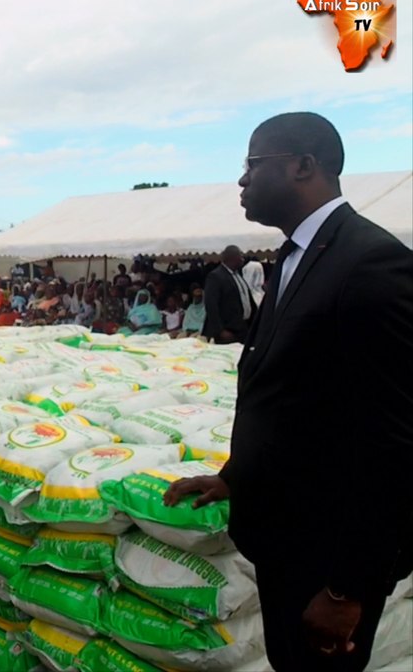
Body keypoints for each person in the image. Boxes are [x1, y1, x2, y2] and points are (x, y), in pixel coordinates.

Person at [164, 112, 413, 672]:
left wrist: (349, 589)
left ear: (304, 166)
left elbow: (395, 442)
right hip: (286, 540)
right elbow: (291, 398)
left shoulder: (369, 262)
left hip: (326, 561)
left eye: (253, 164)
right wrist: (234, 475)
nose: (242, 181)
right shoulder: (297, 257)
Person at [202, 245, 257, 344]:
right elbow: (211, 305)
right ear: (233, 257)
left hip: (243, 328)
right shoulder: (216, 276)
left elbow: (246, 299)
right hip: (228, 331)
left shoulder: (238, 275)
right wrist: (220, 330)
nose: (243, 259)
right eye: (241, 256)